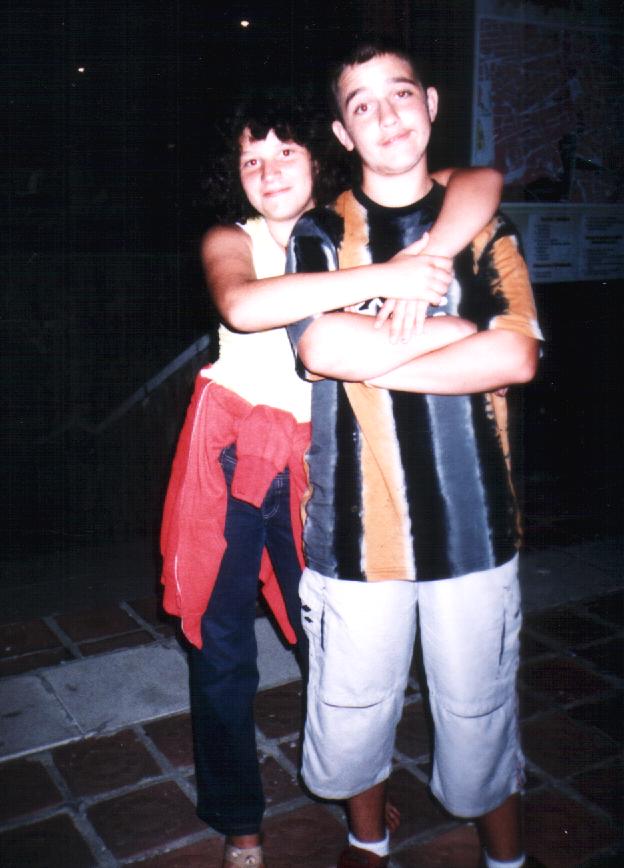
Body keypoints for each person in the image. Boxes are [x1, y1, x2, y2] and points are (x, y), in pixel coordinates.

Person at [160, 90, 504, 868]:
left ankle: (359, 797)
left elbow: (481, 180)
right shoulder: (233, 237)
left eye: (285, 151)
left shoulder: (353, 227)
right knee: (220, 647)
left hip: (324, 461)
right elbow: (244, 305)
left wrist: (433, 255)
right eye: (251, 159)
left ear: (320, 156)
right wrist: (395, 273)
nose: (268, 170)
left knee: (338, 645)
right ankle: (240, 821)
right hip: (229, 458)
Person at [285, 43, 544, 868]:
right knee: (353, 714)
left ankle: (505, 858)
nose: (386, 115)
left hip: (475, 525)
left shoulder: (483, 226)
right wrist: (454, 333)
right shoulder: (322, 233)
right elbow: (322, 346)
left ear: (430, 103)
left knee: (481, 713)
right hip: (358, 534)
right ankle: (368, 840)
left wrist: (378, 355)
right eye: (362, 104)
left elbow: (516, 356)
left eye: (400, 94)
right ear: (343, 131)